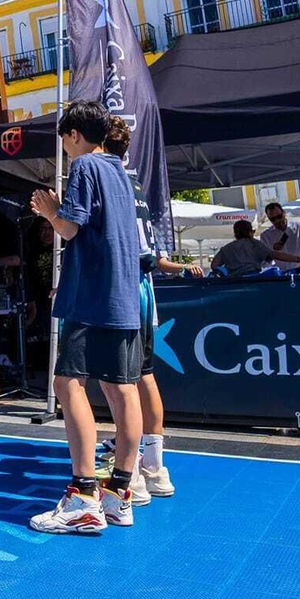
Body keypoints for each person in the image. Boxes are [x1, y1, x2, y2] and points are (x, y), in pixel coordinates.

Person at [27, 100, 142, 535]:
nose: (65, 147)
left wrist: (48, 210)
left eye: (64, 139)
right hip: (122, 297)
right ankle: (120, 494)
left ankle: (82, 495)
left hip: (90, 294)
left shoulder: (84, 169)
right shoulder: (118, 172)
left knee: (67, 383)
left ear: (73, 135)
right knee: (121, 390)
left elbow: (72, 228)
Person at [100, 117, 204, 503]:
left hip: (124, 285)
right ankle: (154, 466)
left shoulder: (109, 180)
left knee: (120, 378)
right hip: (143, 284)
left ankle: (132, 473)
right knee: (142, 375)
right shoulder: (137, 183)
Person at [212, 219, 300, 276]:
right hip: (254, 279)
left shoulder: (226, 248)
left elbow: (214, 264)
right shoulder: (254, 244)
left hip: (233, 282)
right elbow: (275, 255)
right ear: (249, 232)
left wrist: (226, 270)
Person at [260, 202, 300, 273]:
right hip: (281, 273)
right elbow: (266, 261)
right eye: (273, 219)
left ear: (284, 213)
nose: (277, 220)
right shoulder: (266, 235)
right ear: (269, 219)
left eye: (279, 216)